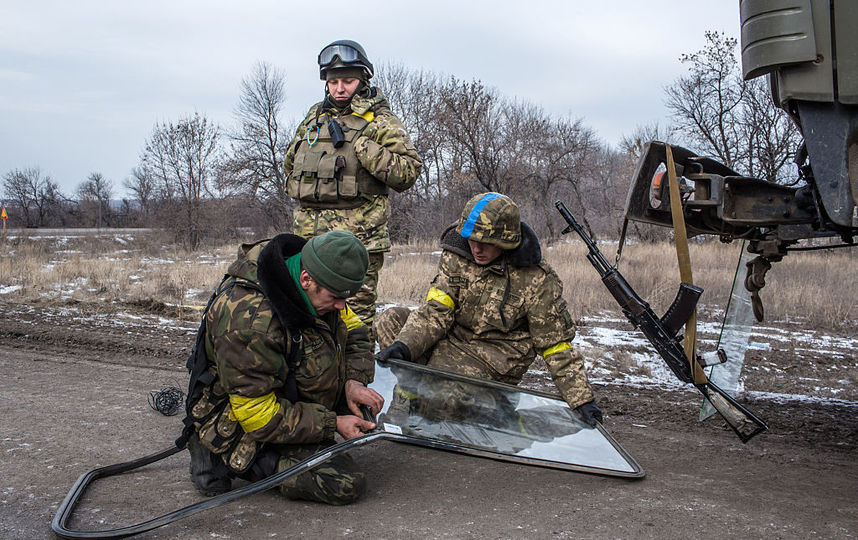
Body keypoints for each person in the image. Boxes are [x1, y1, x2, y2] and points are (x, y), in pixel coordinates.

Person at [186, 230, 384, 505]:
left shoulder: (320, 279)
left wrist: (354, 382)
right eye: (336, 297)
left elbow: (355, 329)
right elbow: (257, 414)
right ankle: (214, 451)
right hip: (250, 417)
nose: (342, 306)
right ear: (306, 279)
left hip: (290, 391)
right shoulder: (252, 323)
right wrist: (333, 424)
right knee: (342, 483)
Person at [376, 192, 603, 425]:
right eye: (471, 239)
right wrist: (404, 347)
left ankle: (491, 405)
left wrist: (581, 399)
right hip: (452, 340)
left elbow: (555, 345)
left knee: (441, 399)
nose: (476, 249)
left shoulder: (536, 279)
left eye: (486, 242)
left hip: (493, 357)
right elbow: (436, 311)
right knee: (389, 321)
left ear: (506, 240)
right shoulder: (456, 256)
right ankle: (411, 395)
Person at [283, 39, 423, 331]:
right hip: (308, 241)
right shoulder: (314, 117)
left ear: (362, 79)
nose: (340, 88)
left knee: (352, 326)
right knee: (303, 318)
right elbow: (291, 164)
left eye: (347, 80)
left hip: (356, 245)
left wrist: (364, 149)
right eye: (333, 82)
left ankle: (353, 377)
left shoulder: (380, 121)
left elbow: (408, 172)